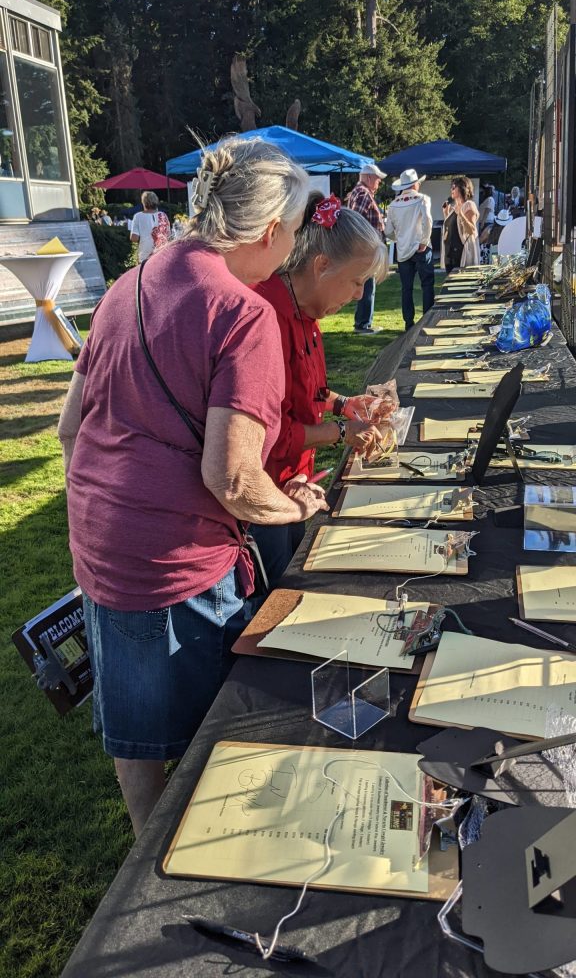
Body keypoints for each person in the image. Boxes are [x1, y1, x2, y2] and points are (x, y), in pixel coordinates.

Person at [57, 136, 326, 836]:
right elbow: (233, 476)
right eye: (294, 235)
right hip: (174, 561)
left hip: (101, 543)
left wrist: (100, 513)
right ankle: (199, 864)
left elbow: (67, 426)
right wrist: (291, 503)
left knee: (134, 730)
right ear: (271, 232)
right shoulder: (244, 313)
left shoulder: (128, 283)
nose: (291, 249)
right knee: (220, 739)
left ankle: (147, 860)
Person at [251, 192, 390, 582]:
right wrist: (342, 433)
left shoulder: (306, 312)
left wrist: (343, 404)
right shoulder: (267, 319)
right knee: (278, 589)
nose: (360, 295)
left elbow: (308, 392)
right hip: (266, 498)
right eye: (356, 282)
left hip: (295, 484)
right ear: (322, 266)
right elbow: (271, 435)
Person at [385, 168, 434, 330]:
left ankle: (408, 322)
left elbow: (388, 231)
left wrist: (399, 239)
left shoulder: (393, 205)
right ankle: (427, 318)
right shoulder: (422, 199)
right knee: (427, 284)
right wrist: (424, 241)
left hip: (403, 250)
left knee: (407, 288)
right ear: (415, 184)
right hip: (420, 247)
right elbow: (427, 221)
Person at [345, 164, 387, 334]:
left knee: (367, 287)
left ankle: (363, 322)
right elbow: (356, 219)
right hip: (366, 250)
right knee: (368, 287)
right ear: (369, 178)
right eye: (377, 179)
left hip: (365, 248)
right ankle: (363, 324)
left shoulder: (358, 192)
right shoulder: (363, 194)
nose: (379, 183)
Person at [441, 176, 480, 272]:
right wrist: (446, 214)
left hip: (462, 254)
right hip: (450, 254)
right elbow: (452, 230)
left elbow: (471, 230)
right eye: (451, 187)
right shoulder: (454, 207)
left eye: (454, 187)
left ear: (463, 188)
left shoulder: (469, 205)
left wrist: (461, 214)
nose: (452, 189)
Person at [130, 190, 171, 262]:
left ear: (143, 203)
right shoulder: (163, 215)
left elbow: (134, 238)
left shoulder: (138, 216)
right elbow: (168, 235)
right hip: (163, 253)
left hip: (145, 255)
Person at [478, 185, 495, 265]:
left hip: (486, 222)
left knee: (483, 240)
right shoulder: (487, 199)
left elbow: (487, 211)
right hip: (484, 222)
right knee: (483, 242)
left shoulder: (490, 199)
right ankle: (483, 258)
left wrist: (483, 222)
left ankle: (484, 258)